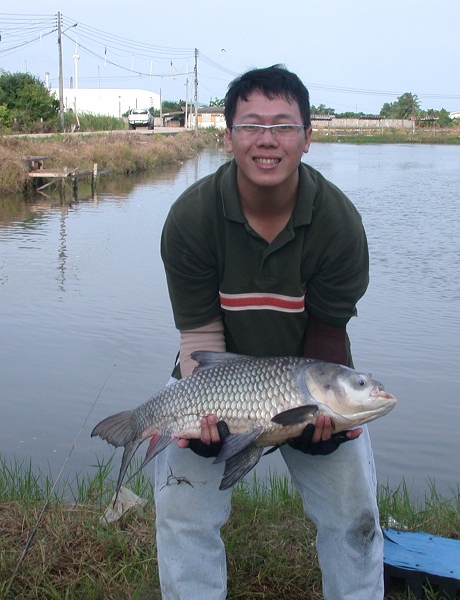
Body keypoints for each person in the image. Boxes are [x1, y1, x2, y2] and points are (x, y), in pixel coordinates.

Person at [153, 64, 384, 599]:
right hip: (216, 381)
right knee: (183, 515)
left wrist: (319, 418)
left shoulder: (338, 223)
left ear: (308, 137)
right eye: (252, 124)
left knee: (355, 520)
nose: (267, 140)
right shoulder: (190, 219)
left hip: (308, 378)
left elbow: (327, 337)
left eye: (283, 125)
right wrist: (210, 422)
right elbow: (199, 341)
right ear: (228, 135)